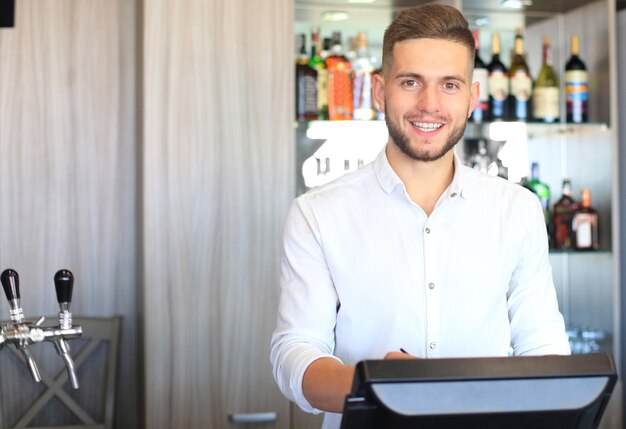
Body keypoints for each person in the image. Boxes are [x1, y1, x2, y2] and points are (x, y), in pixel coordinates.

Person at [270, 4, 570, 429]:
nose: (429, 105)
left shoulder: (517, 210)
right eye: (410, 82)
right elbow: (295, 353)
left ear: (472, 98)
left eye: (450, 84)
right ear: (380, 91)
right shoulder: (317, 214)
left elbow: (544, 348)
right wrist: (376, 386)